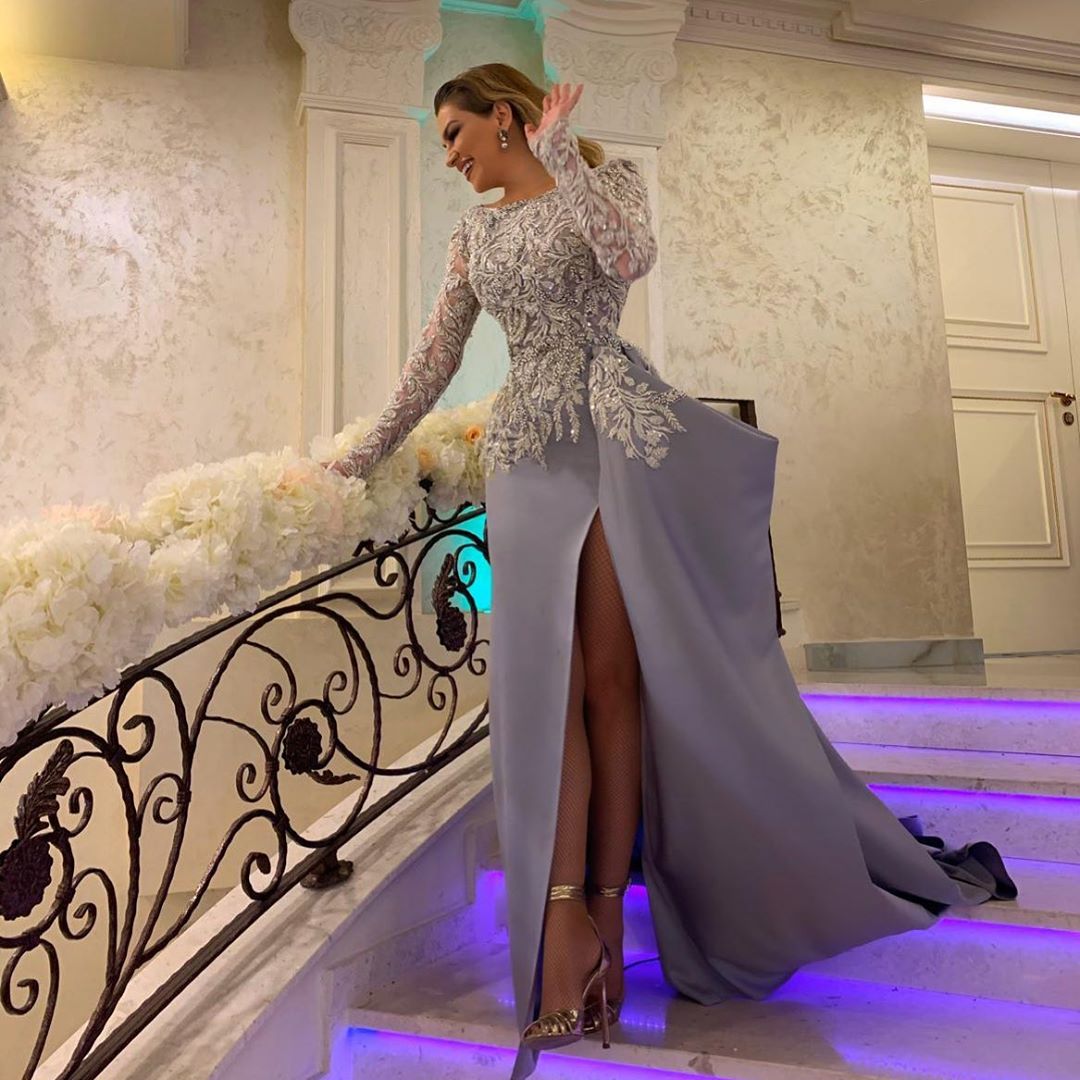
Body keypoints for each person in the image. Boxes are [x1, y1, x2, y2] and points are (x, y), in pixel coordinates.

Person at [327, 63, 1015, 1080]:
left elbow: (630, 256)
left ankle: (606, 913)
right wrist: (361, 455)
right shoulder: (473, 236)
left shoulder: (604, 181)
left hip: (611, 439)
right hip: (525, 454)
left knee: (611, 684)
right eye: (441, 144)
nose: (450, 156)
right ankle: (564, 926)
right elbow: (434, 357)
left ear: (502, 118)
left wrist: (563, 158)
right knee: (548, 690)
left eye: (455, 135)